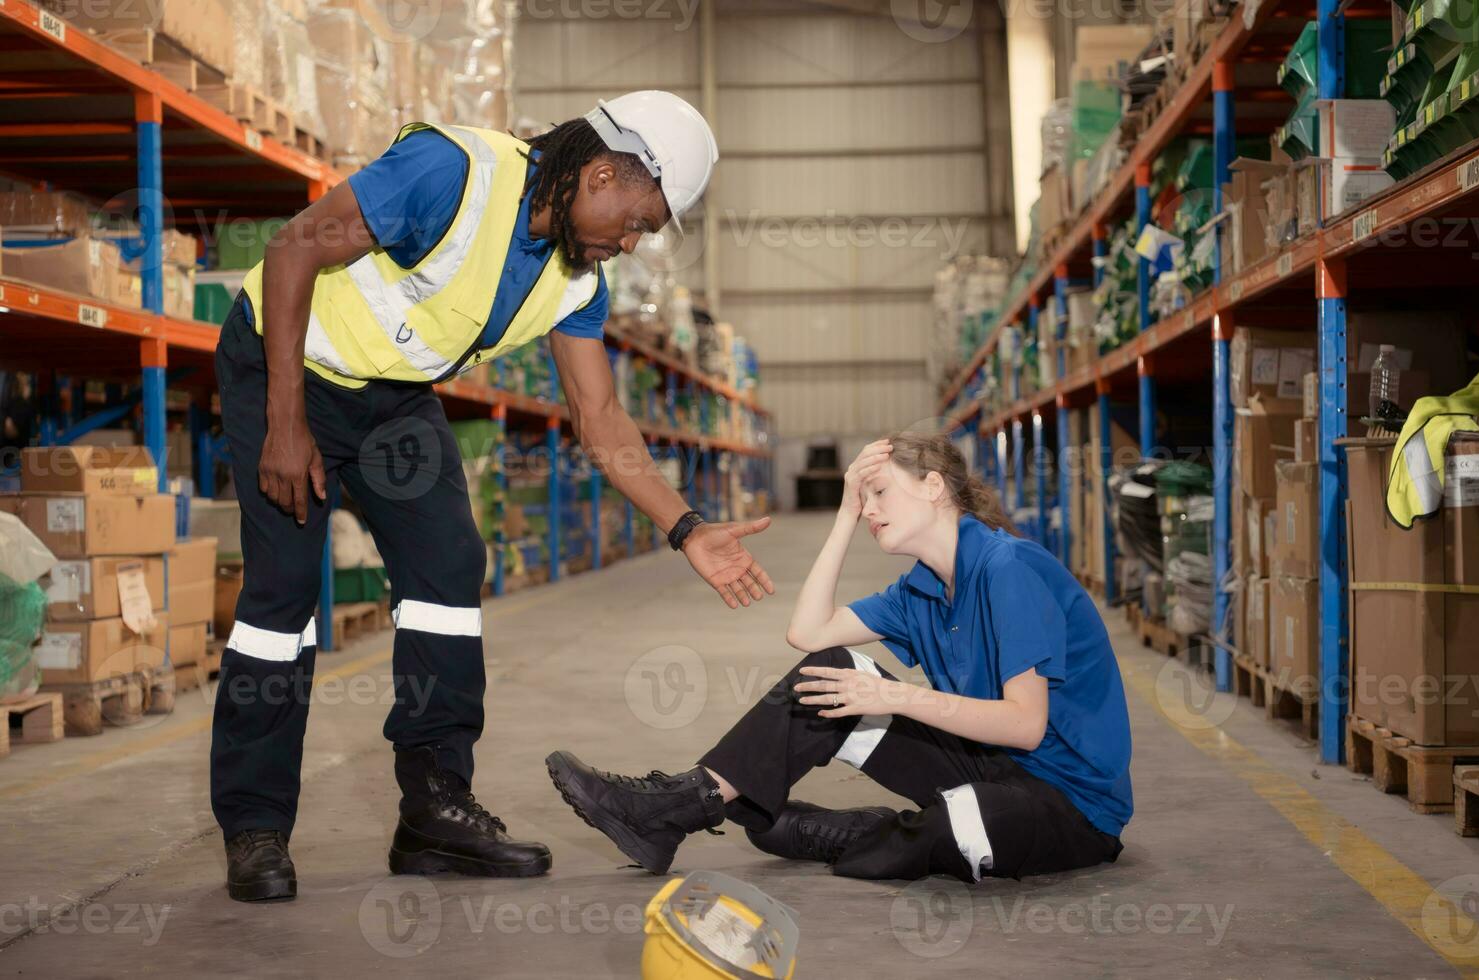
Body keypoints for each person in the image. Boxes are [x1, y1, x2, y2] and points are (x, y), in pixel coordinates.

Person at [213, 91, 776, 904]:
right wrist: (285, 420)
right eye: (637, 222)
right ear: (603, 171)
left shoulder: (576, 284)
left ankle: (434, 808)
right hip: (286, 366)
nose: (630, 242)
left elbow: (601, 417)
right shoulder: (453, 172)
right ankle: (254, 825)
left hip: (393, 399)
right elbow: (294, 249)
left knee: (448, 568)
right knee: (283, 594)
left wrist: (686, 528)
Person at [546, 433, 1132, 882]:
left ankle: (848, 831)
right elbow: (809, 634)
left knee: (967, 821)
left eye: (880, 493)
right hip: (988, 762)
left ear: (934, 486)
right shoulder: (920, 589)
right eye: (865, 498)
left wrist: (895, 695)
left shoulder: (1009, 569)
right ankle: (676, 807)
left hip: (1070, 805)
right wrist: (846, 514)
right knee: (831, 673)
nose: (872, 508)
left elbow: (1026, 726)